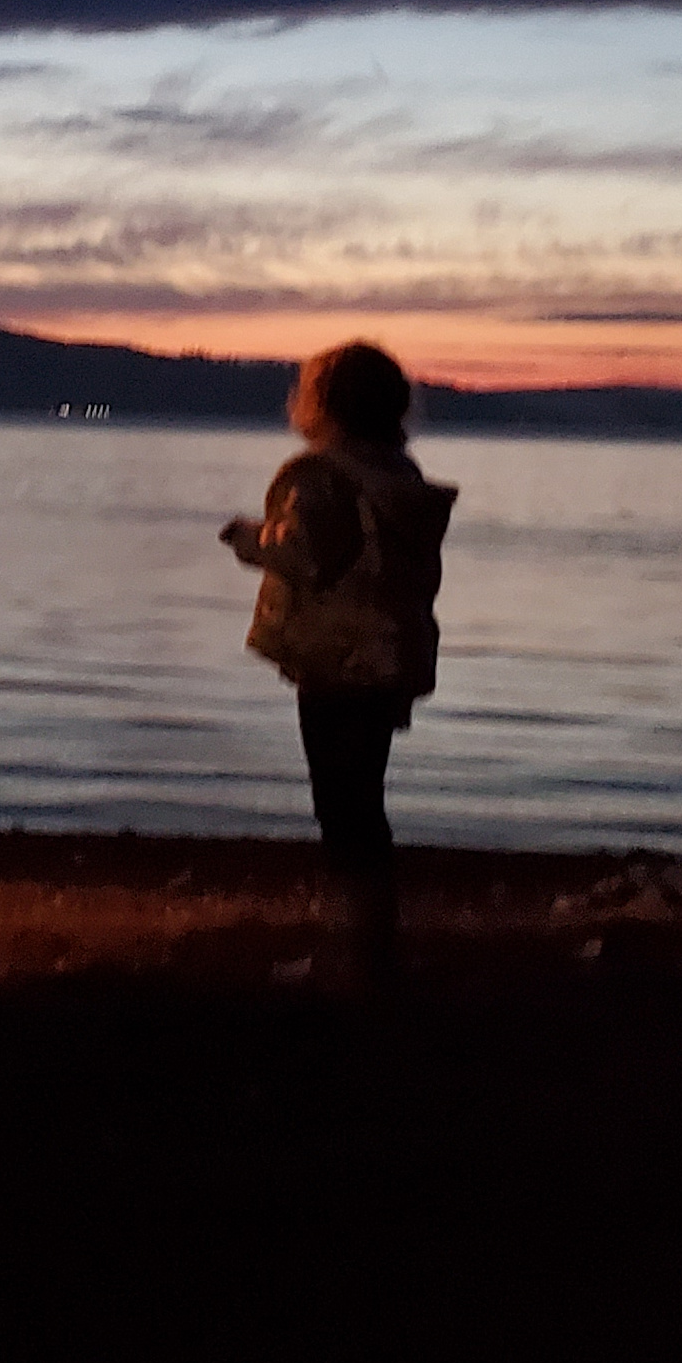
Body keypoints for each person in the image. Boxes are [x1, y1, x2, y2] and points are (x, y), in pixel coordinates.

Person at [221, 342, 457, 979]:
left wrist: (249, 539)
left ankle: (355, 952)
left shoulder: (322, 476)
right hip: (386, 663)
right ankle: (372, 941)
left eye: (304, 388)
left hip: (337, 665)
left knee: (341, 808)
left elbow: (306, 553)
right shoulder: (397, 477)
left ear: (323, 405)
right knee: (362, 802)